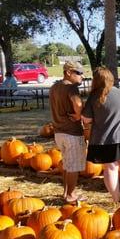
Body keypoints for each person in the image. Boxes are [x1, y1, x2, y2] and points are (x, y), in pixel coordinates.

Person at [82, 67, 120, 205]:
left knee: (110, 169)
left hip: (104, 140)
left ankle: (116, 200)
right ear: (111, 79)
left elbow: (86, 119)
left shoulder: (93, 97)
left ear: (95, 81)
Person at [49, 61, 87, 203]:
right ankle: (71, 195)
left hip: (58, 132)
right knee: (73, 166)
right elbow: (77, 103)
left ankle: (66, 192)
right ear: (68, 72)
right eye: (78, 73)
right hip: (72, 132)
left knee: (66, 164)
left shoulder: (54, 87)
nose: (81, 76)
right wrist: (79, 115)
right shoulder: (71, 88)